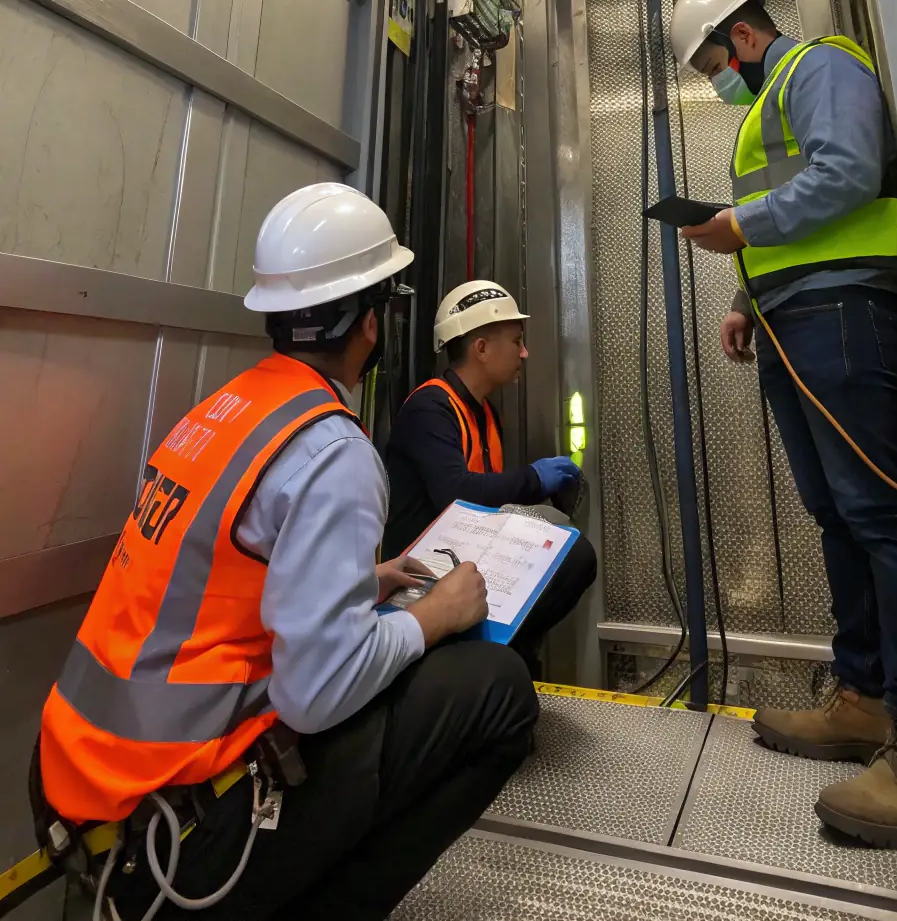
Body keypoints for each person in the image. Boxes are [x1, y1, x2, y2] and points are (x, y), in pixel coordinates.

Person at [35, 184, 538, 920]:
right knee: (496, 687)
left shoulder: (223, 411)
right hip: (179, 832)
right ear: (372, 324)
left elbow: (215, 581)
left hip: (86, 792)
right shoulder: (332, 447)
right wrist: (433, 615)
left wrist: (364, 581)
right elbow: (314, 692)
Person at [668, 0, 897, 849]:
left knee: (883, 516)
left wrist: (740, 227)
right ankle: (865, 697)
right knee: (838, 516)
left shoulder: (820, 67)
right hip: (791, 316)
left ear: (739, 35)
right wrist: (743, 292)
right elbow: (786, 217)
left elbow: (845, 175)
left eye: (709, 64)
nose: (714, 83)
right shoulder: (767, 100)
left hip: (842, 311)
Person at [384, 280, 597, 677]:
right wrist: (535, 479)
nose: (524, 351)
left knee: (564, 545)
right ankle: (493, 660)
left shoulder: (483, 414)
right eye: (516, 340)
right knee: (574, 553)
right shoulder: (431, 409)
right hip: (421, 583)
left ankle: (505, 655)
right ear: (481, 349)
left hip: (465, 566)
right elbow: (457, 494)